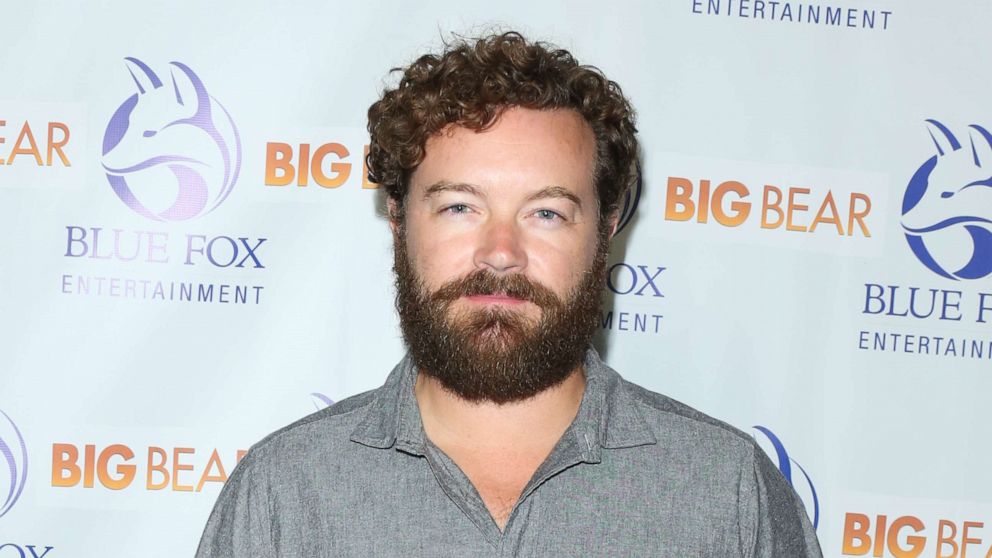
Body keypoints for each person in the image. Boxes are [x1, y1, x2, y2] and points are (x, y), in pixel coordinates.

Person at [196, 31, 822, 557]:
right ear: (398, 218)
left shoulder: (729, 493)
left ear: (604, 230)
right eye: (460, 206)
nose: (500, 252)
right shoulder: (284, 494)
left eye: (546, 213)